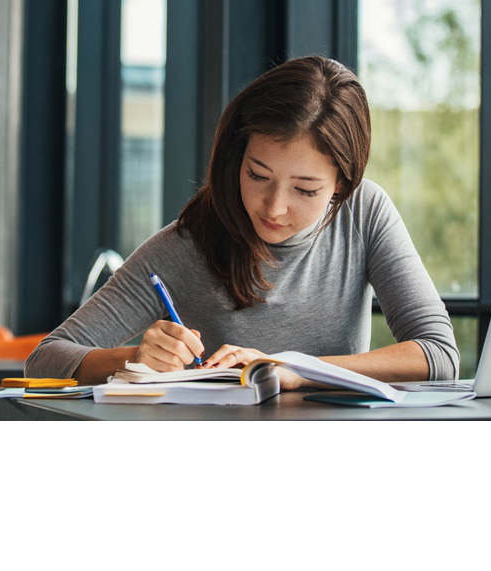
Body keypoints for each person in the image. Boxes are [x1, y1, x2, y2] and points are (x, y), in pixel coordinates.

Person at [26, 55, 459, 389]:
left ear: (342, 185)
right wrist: (134, 357)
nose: (273, 208)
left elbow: (438, 355)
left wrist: (292, 368)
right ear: (236, 158)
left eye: (305, 190)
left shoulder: (364, 213)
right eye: (257, 175)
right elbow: (44, 359)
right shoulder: (188, 244)